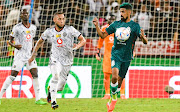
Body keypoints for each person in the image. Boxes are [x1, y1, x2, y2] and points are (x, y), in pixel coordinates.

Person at [93, 3, 148, 112]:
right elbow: (103, 35)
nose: (121, 14)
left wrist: (142, 37)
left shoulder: (135, 26)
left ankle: (114, 97)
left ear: (129, 12)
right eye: (120, 12)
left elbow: (145, 42)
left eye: (123, 12)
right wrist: (97, 27)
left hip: (127, 57)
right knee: (114, 76)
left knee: (119, 81)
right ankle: (113, 97)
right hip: (116, 55)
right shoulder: (116, 24)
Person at [28, 11, 86, 110]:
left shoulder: (70, 29)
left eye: (63, 19)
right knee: (55, 76)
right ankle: (54, 102)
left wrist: (77, 47)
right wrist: (34, 54)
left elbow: (83, 40)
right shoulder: (49, 31)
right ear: (54, 20)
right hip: (55, 58)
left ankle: (50, 90)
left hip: (67, 60)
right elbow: (39, 42)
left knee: (60, 87)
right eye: (59, 19)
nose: (62, 21)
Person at [0, 9, 47, 105]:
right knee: (13, 76)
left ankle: (38, 99)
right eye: (23, 14)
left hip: (29, 56)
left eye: (26, 13)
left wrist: (33, 53)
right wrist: (15, 46)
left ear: (28, 15)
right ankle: (0, 96)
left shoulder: (33, 27)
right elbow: (9, 41)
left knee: (35, 74)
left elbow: (32, 41)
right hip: (19, 56)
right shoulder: (16, 28)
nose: (25, 15)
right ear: (21, 16)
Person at [96, 15, 126, 99]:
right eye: (110, 21)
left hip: (119, 56)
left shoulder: (121, 29)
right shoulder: (104, 29)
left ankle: (122, 94)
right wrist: (98, 51)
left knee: (121, 75)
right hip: (107, 56)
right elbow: (100, 40)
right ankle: (107, 94)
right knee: (106, 76)